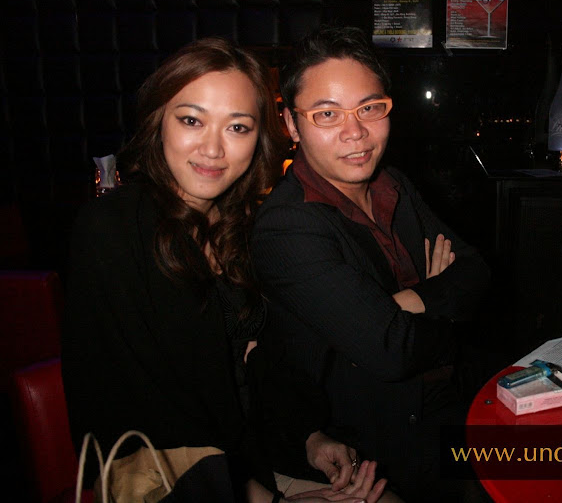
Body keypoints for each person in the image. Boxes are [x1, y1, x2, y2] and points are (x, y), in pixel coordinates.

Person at [61, 37, 386, 503]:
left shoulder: (241, 226)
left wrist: (308, 438)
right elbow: (144, 407)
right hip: (178, 483)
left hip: (249, 461)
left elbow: (253, 370)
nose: (213, 148)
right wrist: (264, 499)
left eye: (237, 127)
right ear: (158, 121)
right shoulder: (113, 227)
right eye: (192, 120)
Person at [250, 26, 490, 502]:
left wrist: (406, 302)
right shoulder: (287, 226)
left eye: (369, 108)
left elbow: (477, 272)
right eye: (327, 114)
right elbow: (391, 350)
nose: (355, 131)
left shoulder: (392, 183)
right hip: (371, 446)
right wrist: (439, 302)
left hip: (449, 404)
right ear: (292, 125)